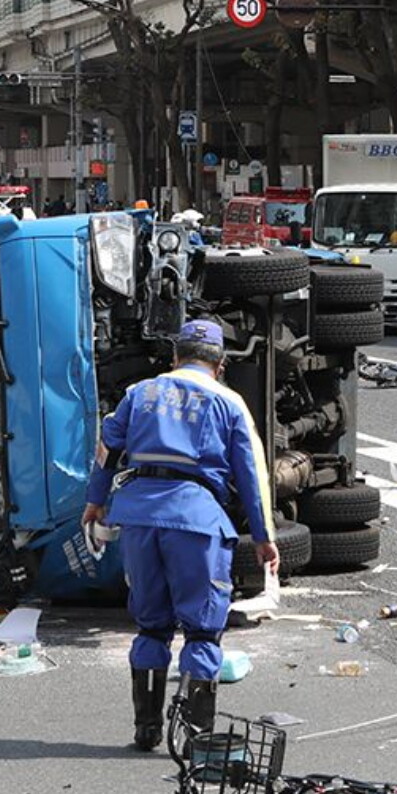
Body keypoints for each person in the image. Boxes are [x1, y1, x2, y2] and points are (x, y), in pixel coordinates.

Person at [80, 319, 277, 752]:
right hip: (197, 520)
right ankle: (193, 737)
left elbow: (106, 450)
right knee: (203, 631)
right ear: (220, 365)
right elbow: (250, 474)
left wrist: (96, 502)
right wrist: (264, 536)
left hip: (139, 518)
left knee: (151, 627)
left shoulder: (139, 394)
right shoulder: (228, 402)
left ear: (175, 358)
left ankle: (146, 729)